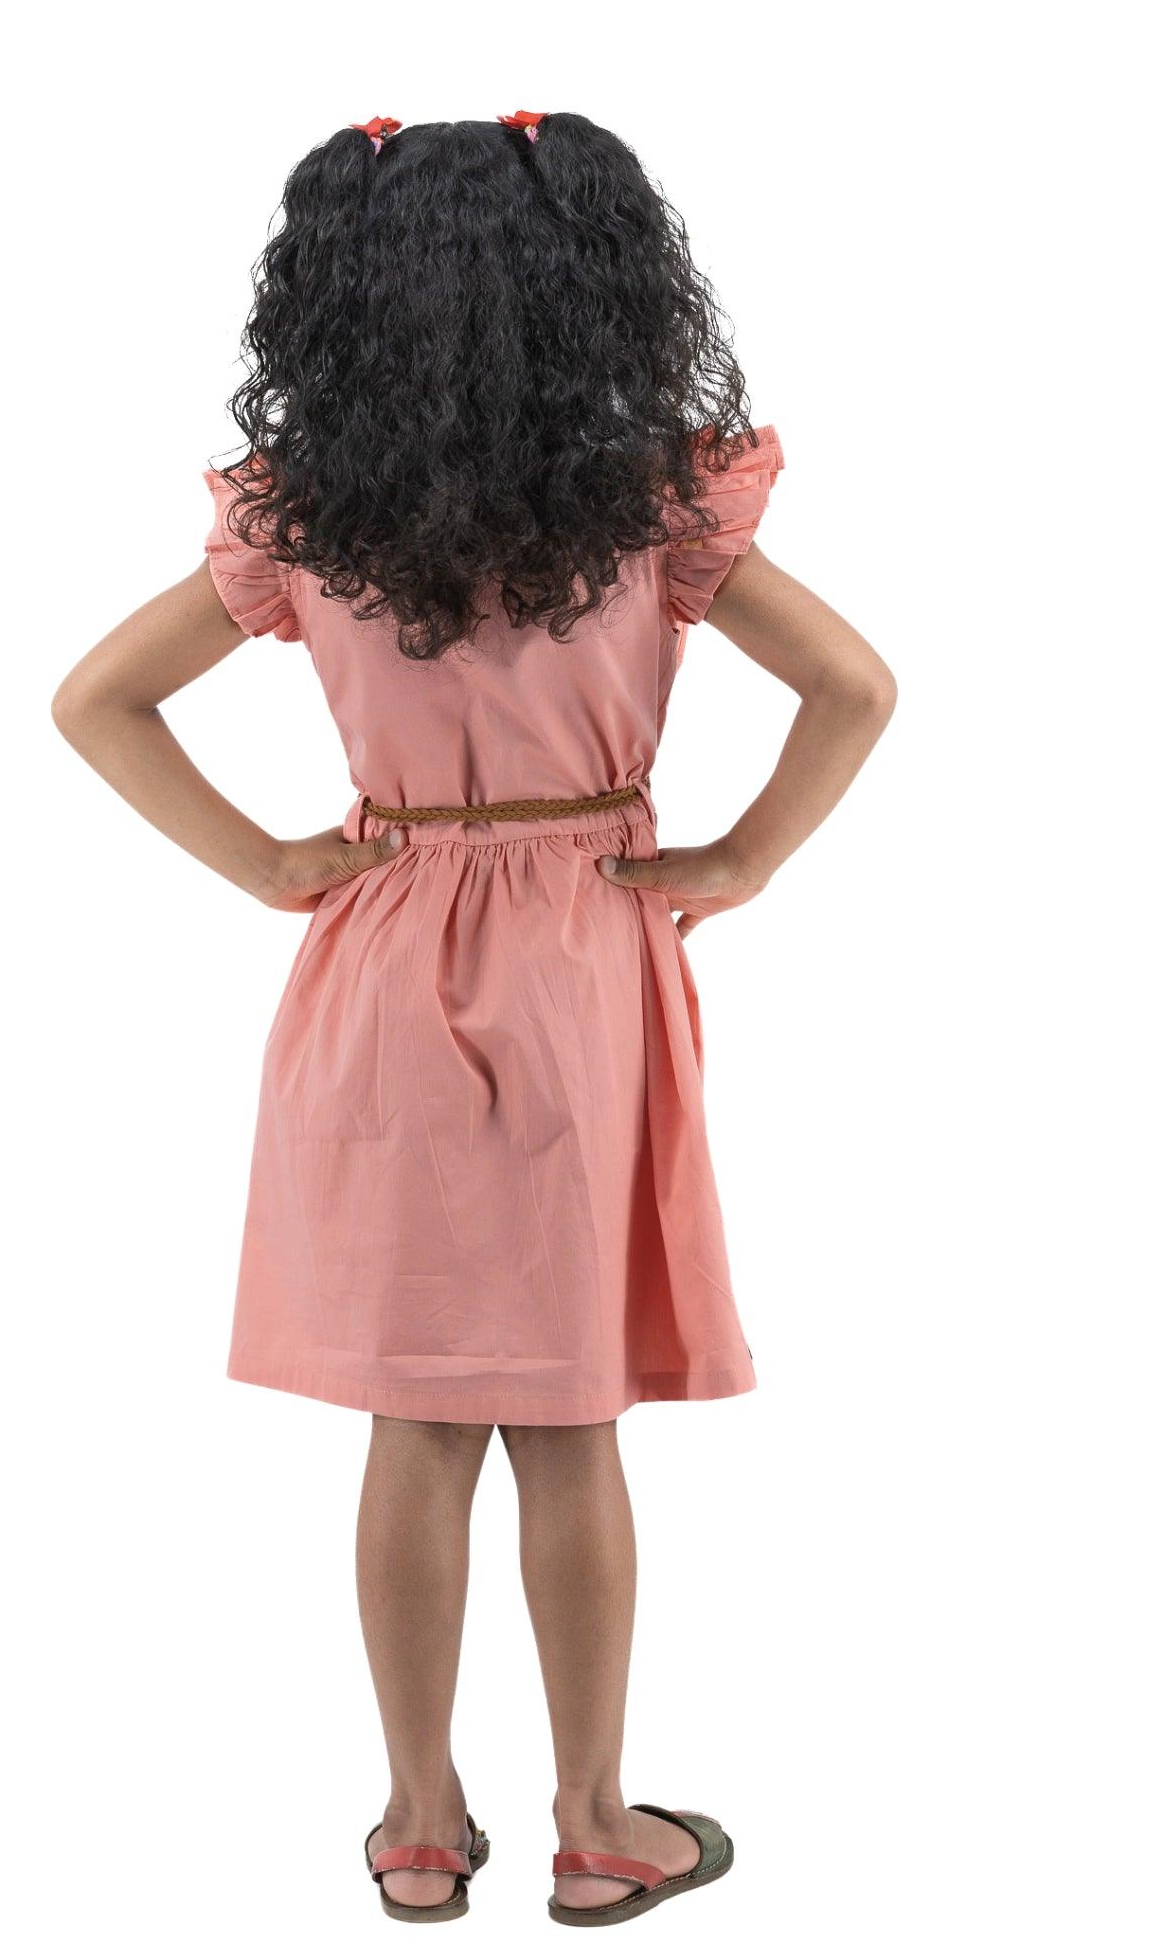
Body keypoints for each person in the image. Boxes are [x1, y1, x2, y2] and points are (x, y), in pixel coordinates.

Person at [52, 110, 895, 1927]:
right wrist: (740, 858)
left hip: (384, 948)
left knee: (416, 1420)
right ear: (597, 277)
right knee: (568, 1413)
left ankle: (420, 1826)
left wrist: (278, 865)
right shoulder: (650, 502)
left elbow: (96, 700)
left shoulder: (310, 517)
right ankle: (598, 1824)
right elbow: (856, 685)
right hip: (585, 949)